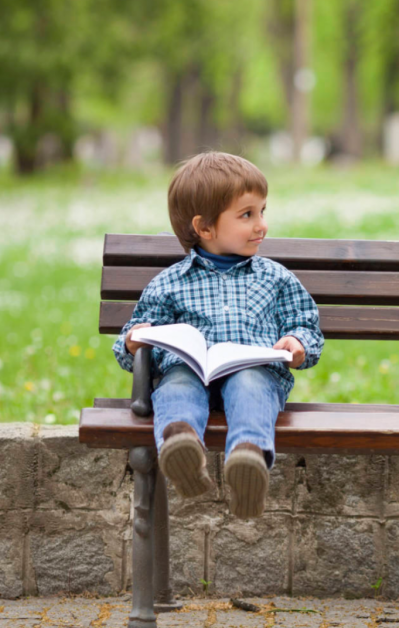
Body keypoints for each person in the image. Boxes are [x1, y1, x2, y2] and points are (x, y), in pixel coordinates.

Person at [112, 152, 324, 519]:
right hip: (189, 370)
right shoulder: (168, 283)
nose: (262, 225)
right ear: (205, 228)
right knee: (175, 386)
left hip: (253, 369)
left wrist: (298, 343)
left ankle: (248, 461)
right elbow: (128, 347)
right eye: (247, 214)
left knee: (250, 385)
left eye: (262, 211)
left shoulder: (274, 277)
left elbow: (305, 323)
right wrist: (135, 340)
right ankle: (182, 449)